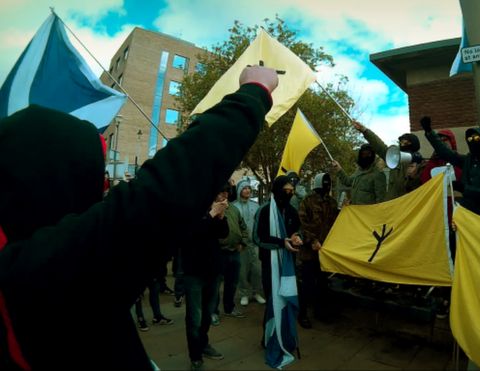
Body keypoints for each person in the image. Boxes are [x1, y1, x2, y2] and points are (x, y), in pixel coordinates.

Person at [0, 65, 278, 369]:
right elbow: (163, 192)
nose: (102, 185)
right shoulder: (43, 269)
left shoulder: (29, 260)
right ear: (60, 175)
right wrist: (254, 93)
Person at [182, 192, 230, 369]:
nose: (221, 198)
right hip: (194, 272)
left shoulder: (214, 210)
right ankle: (195, 355)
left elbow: (223, 234)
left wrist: (221, 216)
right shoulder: (190, 208)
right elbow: (191, 235)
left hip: (213, 271)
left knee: (207, 314)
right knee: (194, 316)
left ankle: (203, 344)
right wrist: (210, 215)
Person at [253, 176, 303, 338]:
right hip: (270, 263)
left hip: (288, 263)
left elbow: (297, 230)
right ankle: (270, 336)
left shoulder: (292, 211)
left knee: (286, 297)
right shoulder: (264, 210)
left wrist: (297, 238)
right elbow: (258, 238)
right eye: (286, 190)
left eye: (291, 191)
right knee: (272, 299)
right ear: (277, 190)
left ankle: (285, 333)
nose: (289, 193)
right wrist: (282, 243)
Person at [297, 173, 339, 328]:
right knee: (306, 285)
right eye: (325, 183)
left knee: (323, 285)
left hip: (325, 252)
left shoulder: (332, 203)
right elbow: (302, 223)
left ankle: (320, 313)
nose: (327, 186)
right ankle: (303, 315)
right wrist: (312, 241)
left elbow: (336, 222)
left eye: (329, 183)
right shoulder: (307, 201)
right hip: (309, 252)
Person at [421, 116, 480, 215]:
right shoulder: (467, 160)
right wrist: (429, 132)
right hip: (465, 210)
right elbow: (446, 152)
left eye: (476, 138)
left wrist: (464, 189)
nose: (473, 141)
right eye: (470, 138)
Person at [352, 121, 423, 201]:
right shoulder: (394, 158)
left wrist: (412, 177)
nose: (402, 145)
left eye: (405, 142)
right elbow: (380, 146)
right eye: (401, 142)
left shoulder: (420, 165)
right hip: (393, 206)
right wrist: (364, 130)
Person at [211, 182, 249, 325]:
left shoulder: (233, 209)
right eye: (222, 192)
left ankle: (229, 308)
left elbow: (243, 227)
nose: (225, 195)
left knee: (232, 283)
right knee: (215, 285)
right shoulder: (212, 210)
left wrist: (242, 242)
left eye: (227, 192)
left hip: (234, 253)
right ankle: (213, 311)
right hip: (219, 253)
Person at [234, 178, 266, 307]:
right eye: (244, 188)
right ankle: (244, 294)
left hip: (255, 244)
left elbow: (260, 224)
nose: (247, 190)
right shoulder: (234, 206)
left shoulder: (256, 205)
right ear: (239, 190)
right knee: (242, 271)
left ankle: (256, 292)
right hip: (241, 245)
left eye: (248, 188)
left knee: (257, 270)